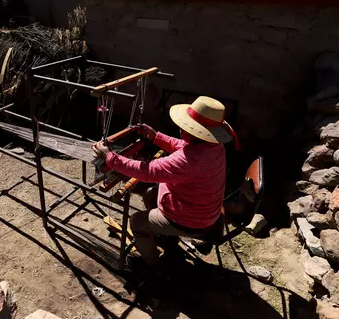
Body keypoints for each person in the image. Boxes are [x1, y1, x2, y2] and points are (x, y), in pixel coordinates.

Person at [92, 96, 239, 269]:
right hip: (204, 210)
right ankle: (168, 240)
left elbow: (147, 171)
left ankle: (153, 264)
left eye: (185, 126)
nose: (180, 129)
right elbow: (181, 145)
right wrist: (156, 137)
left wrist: (110, 157)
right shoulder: (214, 147)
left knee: (137, 222)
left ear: (195, 132)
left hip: (193, 221)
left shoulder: (188, 161)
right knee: (149, 195)